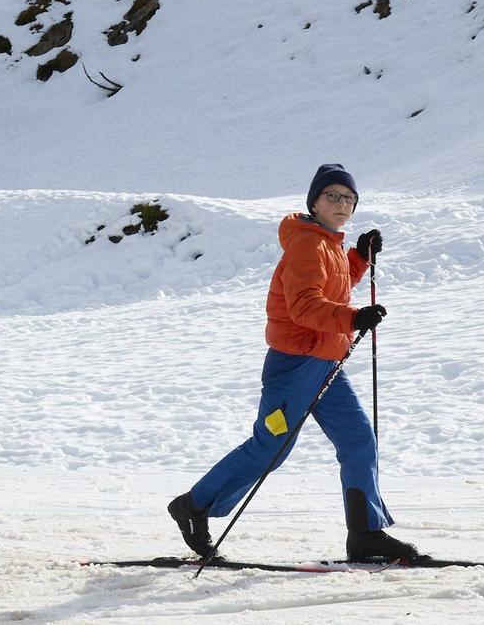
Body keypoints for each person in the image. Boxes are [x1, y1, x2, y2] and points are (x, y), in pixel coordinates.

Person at [167, 165, 419, 565]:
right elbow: (304, 306)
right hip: (295, 364)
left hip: (325, 362)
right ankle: (193, 505)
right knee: (272, 446)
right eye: (332, 197)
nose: (342, 205)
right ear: (314, 202)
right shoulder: (306, 243)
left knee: (358, 441)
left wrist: (357, 257)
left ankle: (366, 534)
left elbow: (330, 287)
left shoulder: (328, 243)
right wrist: (352, 319)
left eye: (349, 199)